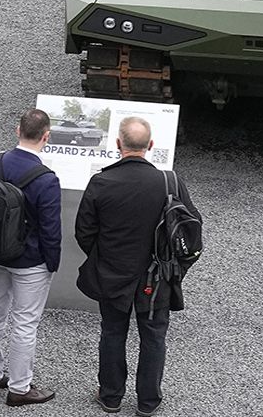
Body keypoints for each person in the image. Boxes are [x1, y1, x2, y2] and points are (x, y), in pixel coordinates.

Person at [76, 116, 197, 416]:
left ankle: (111, 396)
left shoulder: (101, 182)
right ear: (151, 146)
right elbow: (191, 228)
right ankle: (148, 402)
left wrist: (104, 257)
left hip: (112, 273)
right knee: (154, 336)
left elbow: (84, 232)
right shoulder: (170, 182)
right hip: (157, 278)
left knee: (112, 333)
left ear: (118, 145)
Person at [0, 109, 61, 407]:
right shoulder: (46, 179)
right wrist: (52, 263)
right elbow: (51, 228)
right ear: (46, 137)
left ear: (17, 130)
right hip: (30, 260)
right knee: (25, 322)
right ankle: (20, 387)